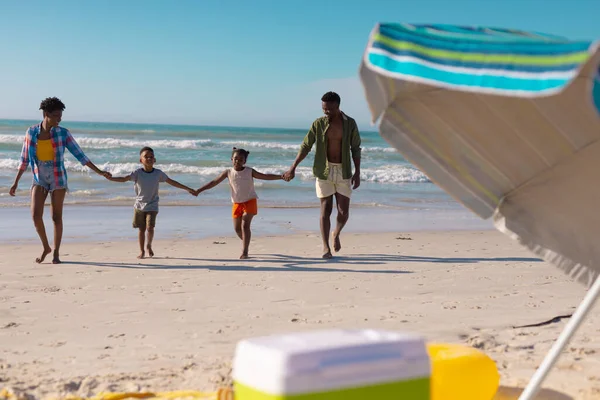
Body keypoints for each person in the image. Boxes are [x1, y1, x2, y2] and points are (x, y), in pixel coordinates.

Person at [9, 97, 112, 264]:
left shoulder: (63, 133)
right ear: (46, 114)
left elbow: (81, 156)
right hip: (39, 177)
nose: (59, 119)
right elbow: (24, 160)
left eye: (60, 115)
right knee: (35, 215)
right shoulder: (31, 132)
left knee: (56, 217)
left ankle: (56, 252)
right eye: (56, 115)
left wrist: (100, 172)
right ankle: (46, 247)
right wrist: (15, 182)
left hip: (58, 177)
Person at [283, 91, 361, 259]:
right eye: (323, 109)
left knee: (343, 211)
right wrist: (293, 167)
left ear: (337, 106)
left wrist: (358, 172)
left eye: (329, 109)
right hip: (323, 170)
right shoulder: (318, 124)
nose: (325, 112)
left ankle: (336, 233)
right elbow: (305, 146)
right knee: (325, 210)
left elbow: (356, 148)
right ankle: (326, 247)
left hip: (343, 170)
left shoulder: (350, 124)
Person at [107, 146, 197, 259]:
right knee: (141, 229)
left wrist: (188, 189)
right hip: (139, 205)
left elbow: (172, 182)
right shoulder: (137, 173)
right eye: (146, 157)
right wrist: (111, 178)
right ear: (141, 160)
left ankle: (149, 245)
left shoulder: (158, 173)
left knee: (150, 227)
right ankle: (142, 251)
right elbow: (124, 179)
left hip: (153, 205)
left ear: (154, 160)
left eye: (151, 157)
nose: (149, 159)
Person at [196, 147, 285, 259]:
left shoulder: (249, 171)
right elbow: (214, 182)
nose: (238, 161)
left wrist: (281, 177)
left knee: (245, 225)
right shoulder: (228, 172)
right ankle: (246, 241)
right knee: (237, 229)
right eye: (235, 159)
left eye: (241, 159)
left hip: (250, 200)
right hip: (237, 203)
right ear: (231, 159)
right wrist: (199, 190)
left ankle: (245, 252)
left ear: (245, 161)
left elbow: (265, 176)